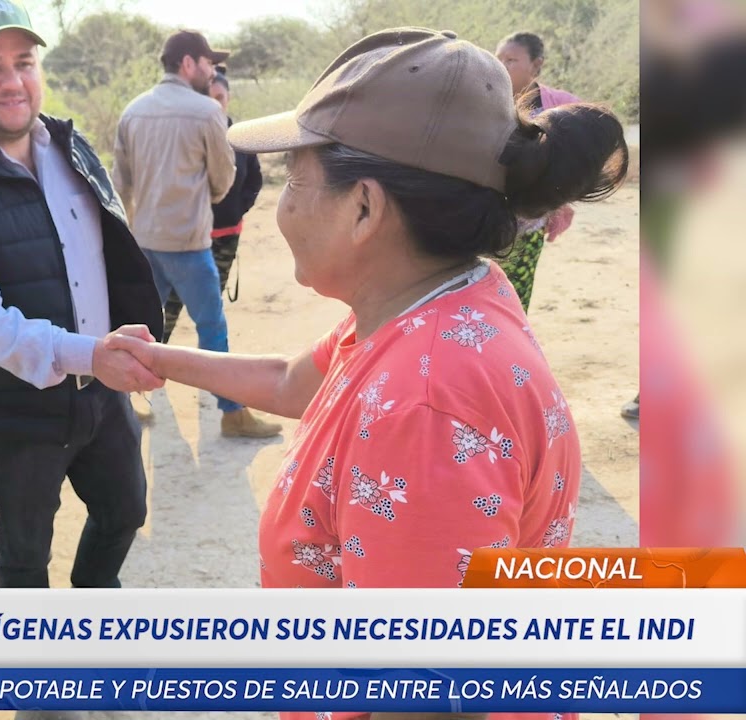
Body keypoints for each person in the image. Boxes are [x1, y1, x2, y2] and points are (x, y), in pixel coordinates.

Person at [105, 28, 626, 720]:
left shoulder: (425, 408)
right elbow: (294, 382)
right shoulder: (440, 299)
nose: (283, 204)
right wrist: (160, 359)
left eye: (297, 176)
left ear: (364, 209)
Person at [0, 0, 164, 588]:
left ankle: (94, 604)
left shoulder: (72, 149)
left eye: (24, 61)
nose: (14, 81)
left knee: (125, 511)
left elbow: (111, 256)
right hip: (13, 410)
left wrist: (121, 347)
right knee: (24, 556)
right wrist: (88, 354)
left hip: (101, 391)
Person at [114, 30, 281, 438]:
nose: (211, 71)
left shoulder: (133, 111)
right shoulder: (207, 112)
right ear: (188, 63)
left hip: (145, 241)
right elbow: (225, 178)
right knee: (212, 327)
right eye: (207, 63)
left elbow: (121, 184)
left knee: (138, 323)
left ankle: (121, 404)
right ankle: (232, 414)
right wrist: (198, 201)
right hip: (188, 242)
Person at [162, 67, 263, 344]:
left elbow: (254, 181)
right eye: (209, 97)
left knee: (210, 309)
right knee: (171, 305)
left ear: (228, 97)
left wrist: (237, 209)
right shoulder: (187, 136)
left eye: (220, 96)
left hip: (227, 236)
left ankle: (207, 376)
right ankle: (155, 370)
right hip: (190, 239)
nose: (215, 103)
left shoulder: (242, 137)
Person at [494, 31, 583, 312]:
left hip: (528, 222)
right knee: (472, 296)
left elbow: (579, 156)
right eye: (499, 59)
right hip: (479, 214)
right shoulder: (484, 99)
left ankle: (508, 353)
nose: (502, 66)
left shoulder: (557, 105)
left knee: (513, 300)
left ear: (536, 64)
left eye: (511, 60)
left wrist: (560, 199)